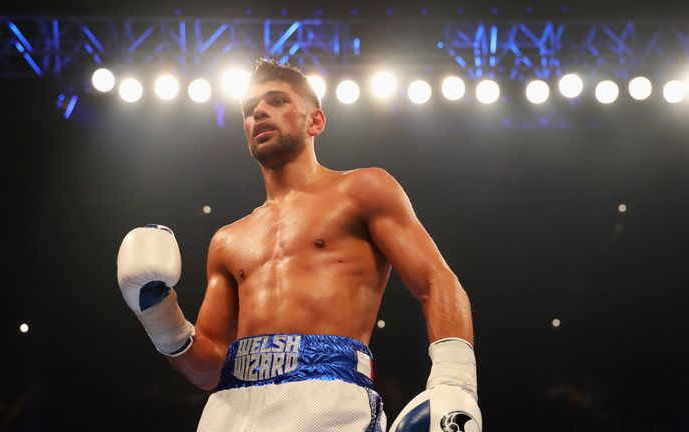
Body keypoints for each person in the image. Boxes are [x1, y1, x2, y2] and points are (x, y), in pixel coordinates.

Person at [116, 59, 482, 432]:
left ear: (315, 121)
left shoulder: (362, 190)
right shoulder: (227, 240)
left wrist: (456, 382)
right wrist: (157, 313)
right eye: (249, 109)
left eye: (277, 100)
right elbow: (209, 369)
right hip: (229, 411)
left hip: (327, 399)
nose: (258, 111)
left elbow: (436, 280)